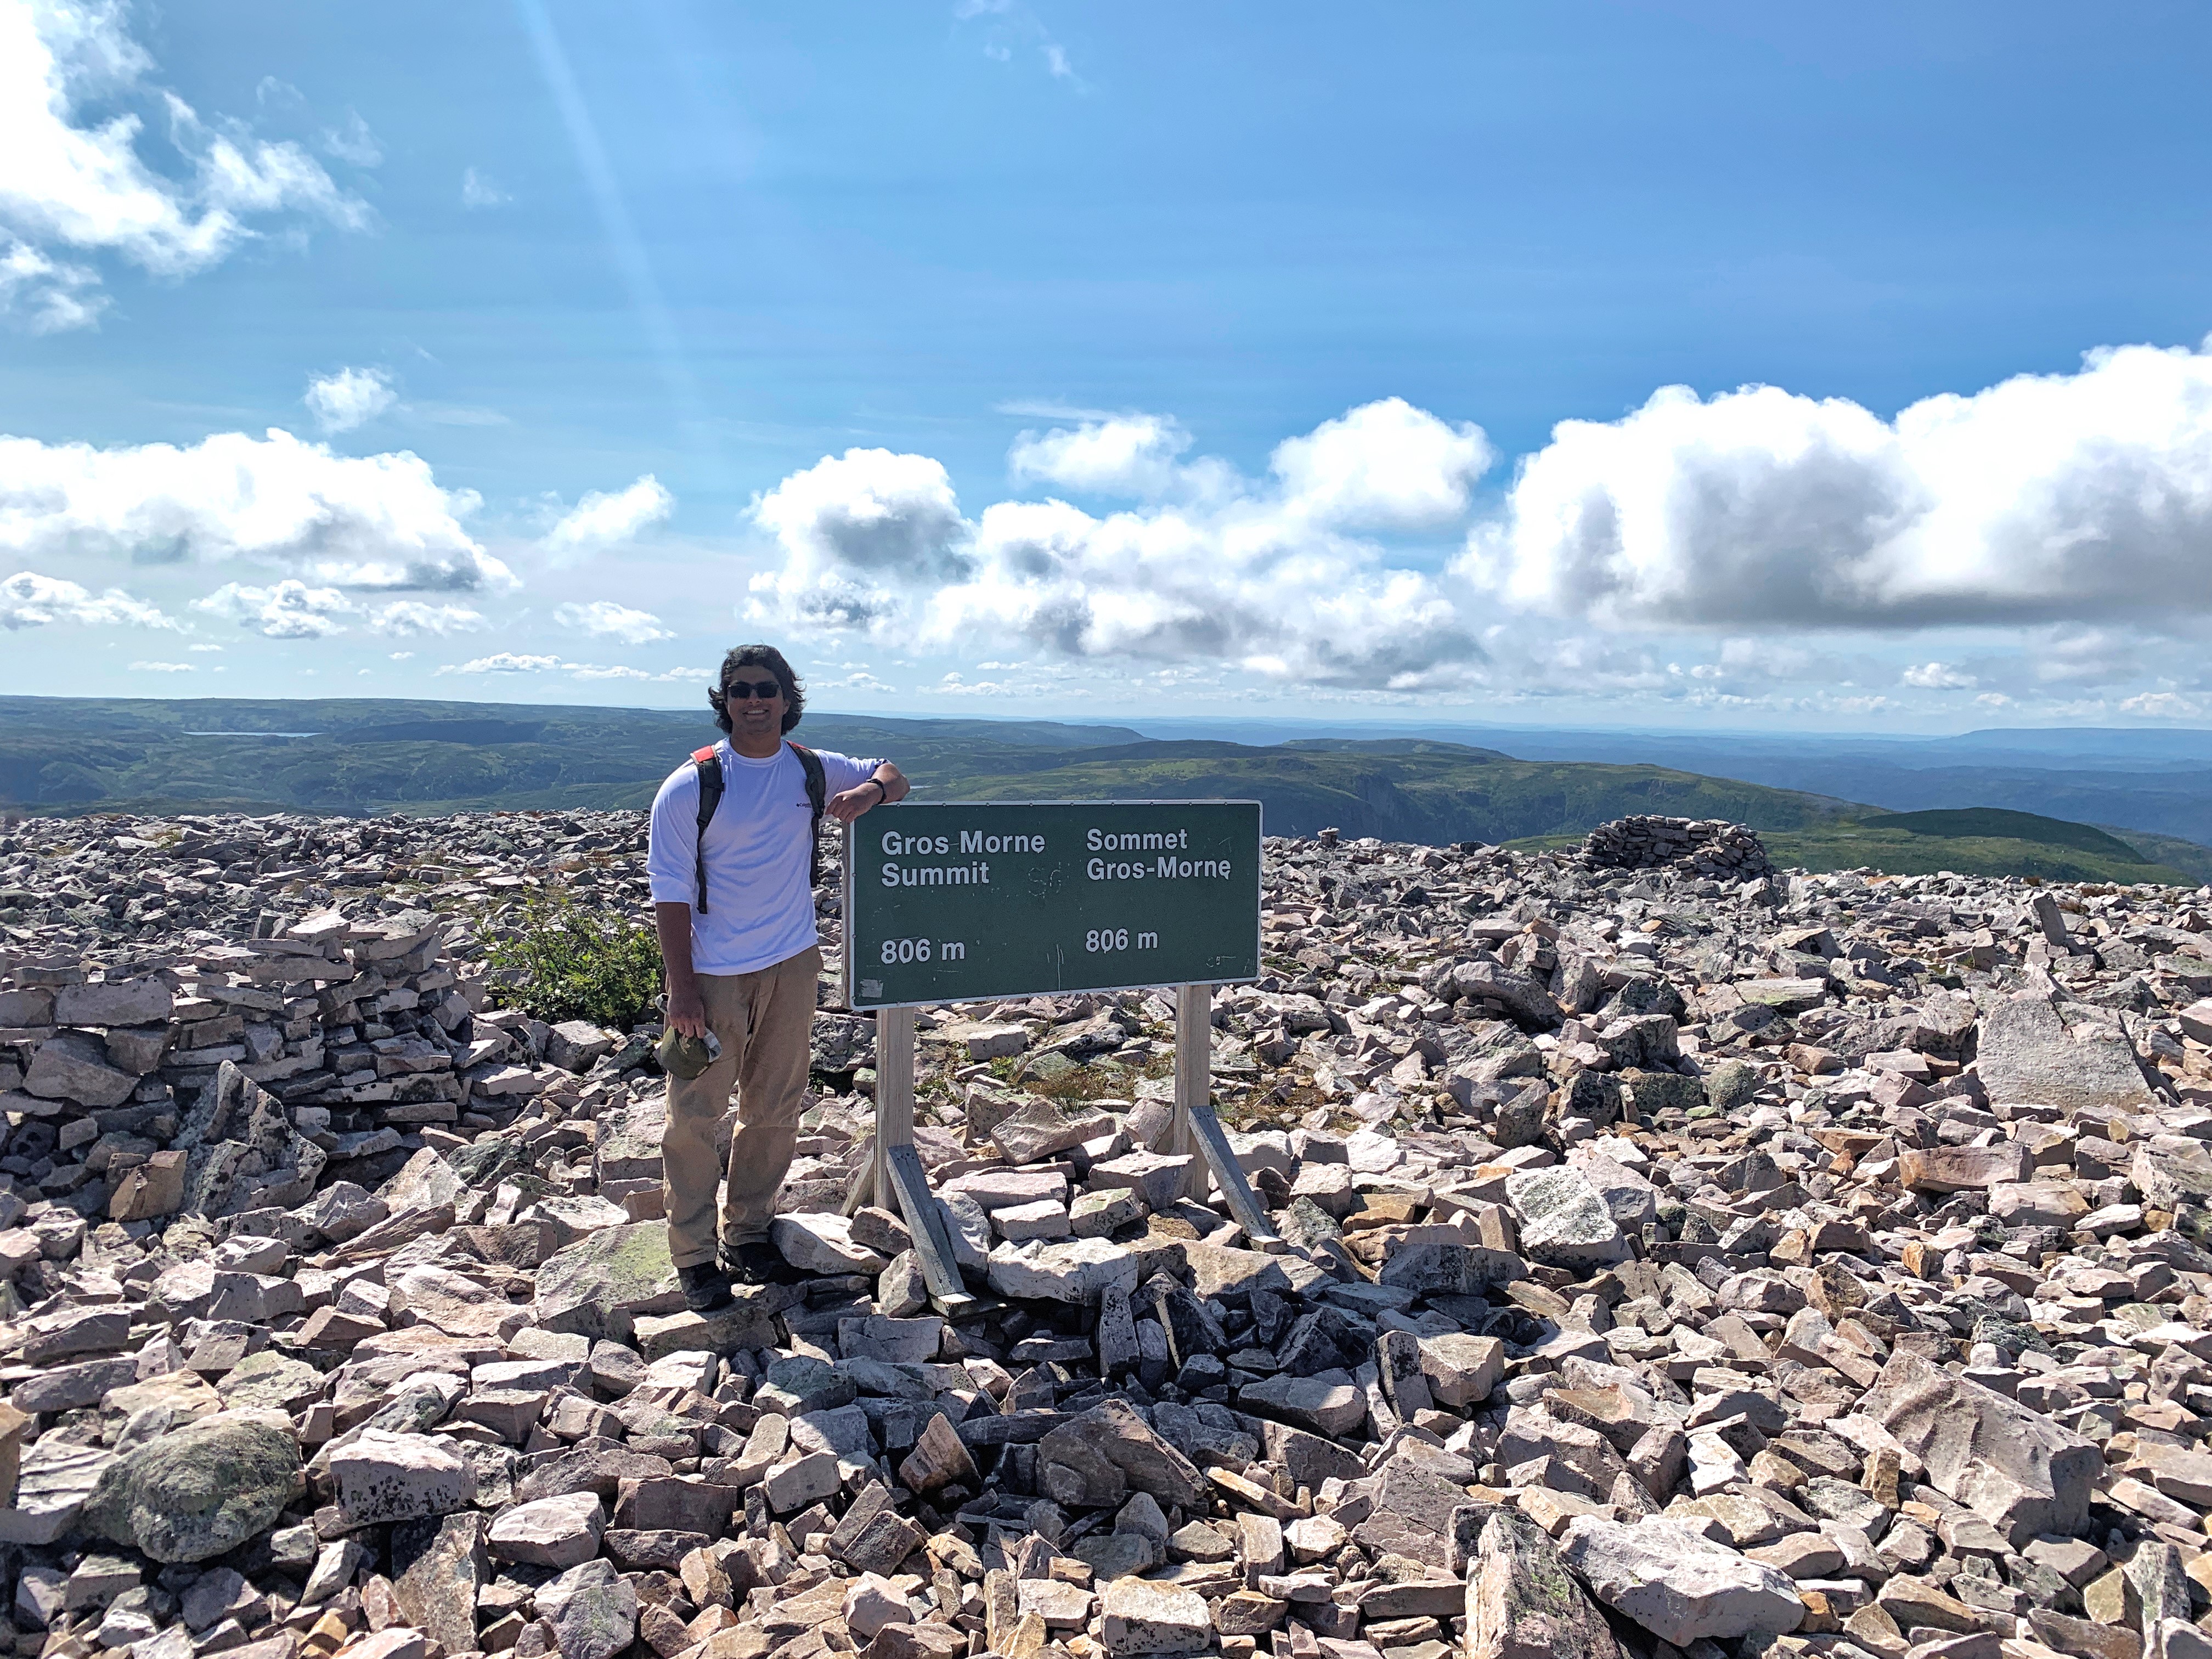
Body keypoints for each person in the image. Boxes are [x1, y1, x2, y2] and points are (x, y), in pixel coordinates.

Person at [646, 645, 909, 1311]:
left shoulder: (810, 769)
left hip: (792, 962)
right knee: (697, 1115)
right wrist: (681, 991)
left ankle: (751, 1234)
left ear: (788, 698)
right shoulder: (692, 784)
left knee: (775, 1104)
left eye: (767, 689)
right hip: (713, 972)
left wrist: (873, 791)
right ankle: (695, 1256)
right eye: (740, 690)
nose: (754, 701)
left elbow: (894, 774)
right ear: (723, 700)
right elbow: (670, 894)